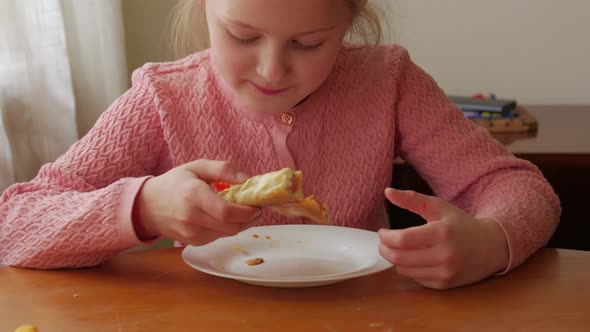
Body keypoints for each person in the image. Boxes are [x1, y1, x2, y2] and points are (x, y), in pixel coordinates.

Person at [0, 0, 560, 289]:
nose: (272, 70)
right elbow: (17, 223)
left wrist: (491, 241)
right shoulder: (162, 99)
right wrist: (143, 206)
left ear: (349, 23)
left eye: (308, 43)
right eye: (243, 36)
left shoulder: (388, 82)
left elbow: (512, 185)